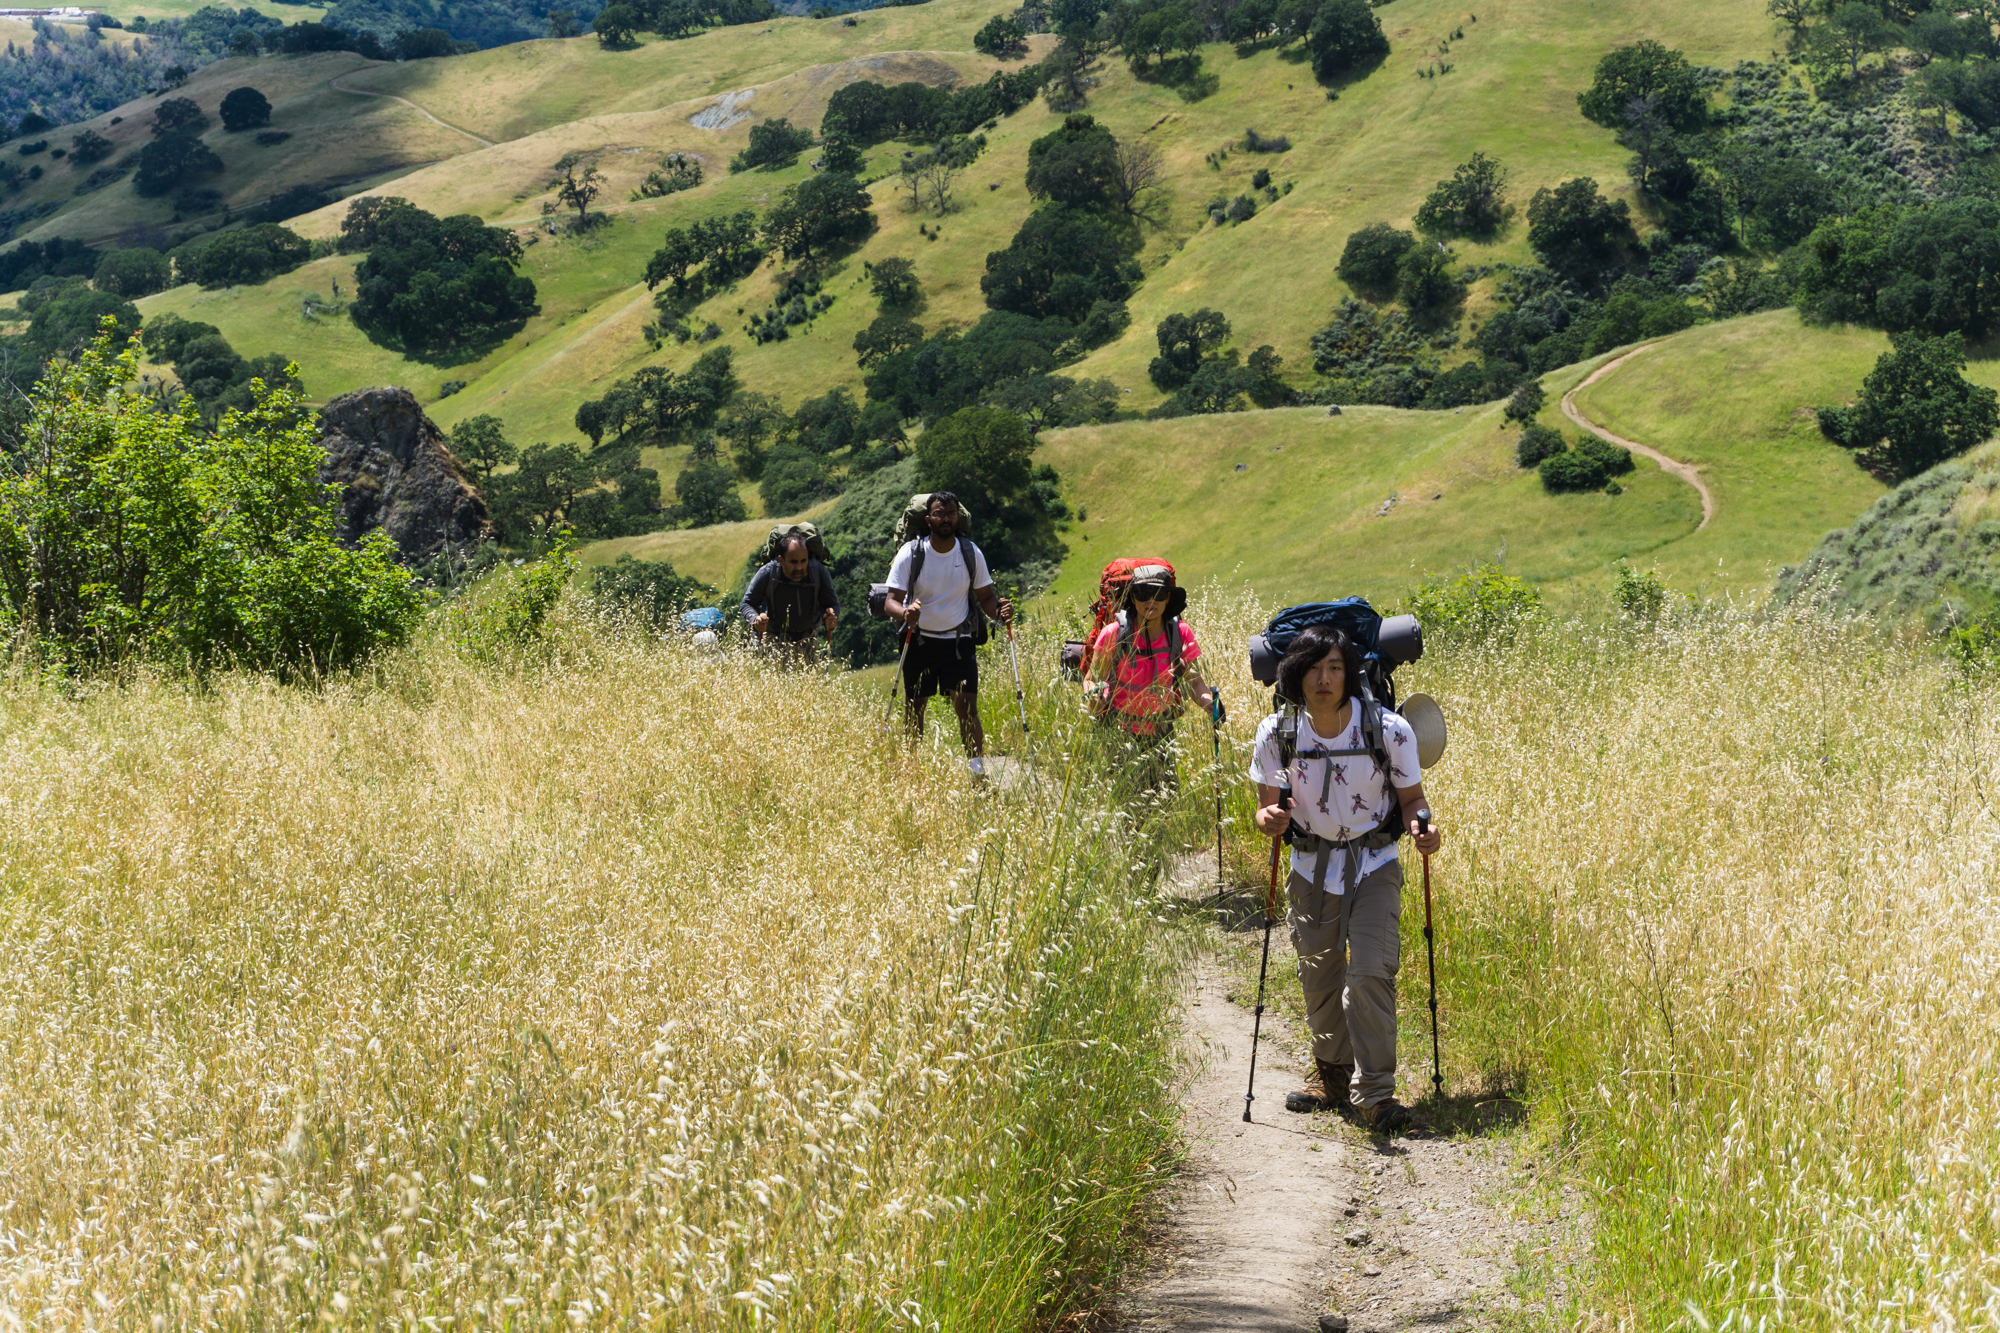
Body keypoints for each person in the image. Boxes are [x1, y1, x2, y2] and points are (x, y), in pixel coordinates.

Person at [1247, 622, 1443, 1135]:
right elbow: (1269, 810)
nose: (1325, 678)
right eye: (1313, 669)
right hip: (1311, 867)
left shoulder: (1389, 730)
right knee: (1320, 973)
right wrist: (1270, 820)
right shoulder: (1278, 733)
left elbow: (1412, 802)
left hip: (1376, 862)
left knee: (1371, 971)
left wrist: (1426, 827)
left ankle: (1375, 1093)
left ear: (1351, 675)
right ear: (1294, 676)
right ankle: (1331, 1075)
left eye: (1335, 667)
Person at [880, 492, 1014, 776]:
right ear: (928, 519)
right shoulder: (911, 553)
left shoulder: (970, 552)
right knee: (915, 710)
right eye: (940, 514)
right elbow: (890, 600)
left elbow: (986, 598)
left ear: (958, 517)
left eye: (951, 514)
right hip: (919, 641)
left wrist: (999, 611)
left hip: (958, 642)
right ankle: (911, 768)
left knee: (967, 709)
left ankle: (977, 771)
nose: (946, 519)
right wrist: (904, 613)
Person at [1082, 564, 1220, 796]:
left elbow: (1195, 682)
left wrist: (1211, 705)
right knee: (1125, 799)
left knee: (1164, 801)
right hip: (1120, 728)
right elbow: (1091, 678)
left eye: (1159, 594)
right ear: (1132, 598)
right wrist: (1093, 696)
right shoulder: (1113, 634)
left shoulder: (1180, 633)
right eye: (1143, 594)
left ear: (1168, 599)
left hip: (1161, 729)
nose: (1151, 601)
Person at [740, 533, 837, 666]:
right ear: (781, 560)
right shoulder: (768, 572)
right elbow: (747, 603)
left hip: (808, 641)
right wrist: (754, 619)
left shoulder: (818, 572)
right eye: (793, 562)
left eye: (803, 561)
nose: (799, 567)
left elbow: (832, 604)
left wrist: (832, 618)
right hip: (774, 640)